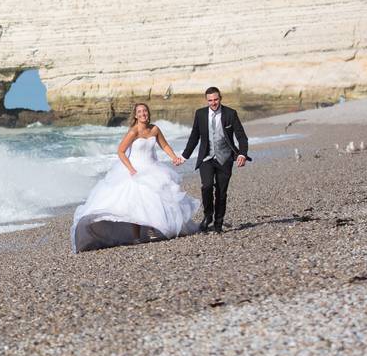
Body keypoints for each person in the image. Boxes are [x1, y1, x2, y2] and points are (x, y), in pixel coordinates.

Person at [71, 103, 199, 252]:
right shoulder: (133, 132)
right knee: (137, 201)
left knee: (154, 199)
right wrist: (131, 169)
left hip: (153, 168)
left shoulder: (154, 129)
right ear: (136, 116)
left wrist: (174, 157)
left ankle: (153, 228)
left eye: (145, 111)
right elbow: (121, 151)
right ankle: (136, 236)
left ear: (148, 113)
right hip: (135, 169)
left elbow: (164, 146)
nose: (143, 113)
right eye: (140, 112)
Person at [179, 87, 250, 234]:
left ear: (220, 98)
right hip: (206, 157)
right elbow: (194, 137)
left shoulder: (230, 113)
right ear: (207, 100)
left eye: (216, 99)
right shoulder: (200, 114)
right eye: (210, 100)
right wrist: (184, 156)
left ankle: (219, 222)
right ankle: (208, 215)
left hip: (225, 158)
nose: (213, 103)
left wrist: (242, 154)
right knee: (206, 186)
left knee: (221, 192)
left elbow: (241, 136)